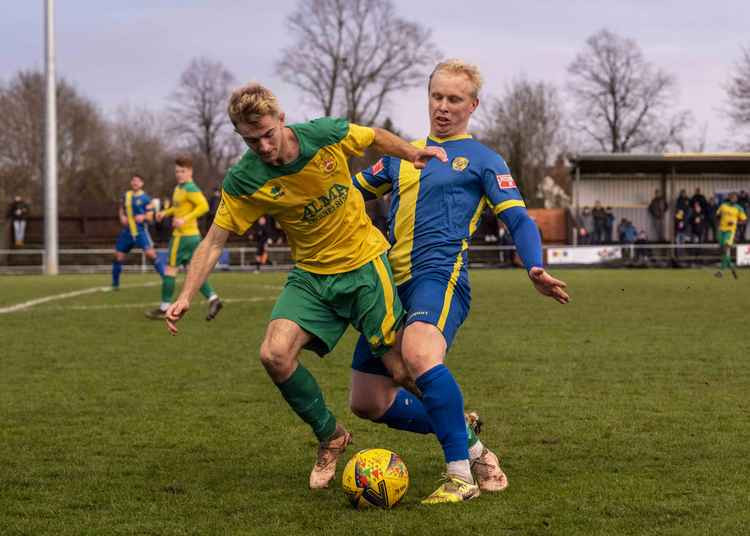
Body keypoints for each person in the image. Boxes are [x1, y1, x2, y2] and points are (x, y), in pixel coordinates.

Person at [162, 83, 448, 490]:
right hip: (312, 276)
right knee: (274, 354)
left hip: (364, 265)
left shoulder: (324, 134)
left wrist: (410, 152)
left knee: (401, 369)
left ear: (281, 120)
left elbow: (371, 137)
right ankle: (331, 436)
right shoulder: (245, 179)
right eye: (250, 139)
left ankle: (462, 436)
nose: (261, 145)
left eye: (266, 134)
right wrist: (187, 295)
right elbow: (213, 240)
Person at [349, 59, 569, 504]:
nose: (443, 107)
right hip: (391, 286)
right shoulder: (401, 157)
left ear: (472, 105)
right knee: (368, 400)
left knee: (418, 351)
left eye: (454, 99)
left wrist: (533, 266)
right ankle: (473, 445)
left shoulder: (485, 161)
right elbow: (347, 193)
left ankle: (460, 476)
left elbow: (520, 220)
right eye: (437, 97)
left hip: (441, 277)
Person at [145, 155, 223, 320]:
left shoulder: (190, 188)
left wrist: (184, 219)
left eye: (183, 171)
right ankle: (214, 299)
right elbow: (177, 207)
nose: (179, 174)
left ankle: (165, 307)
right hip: (192, 237)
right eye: (177, 171)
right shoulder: (179, 188)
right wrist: (164, 213)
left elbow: (203, 206)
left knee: (170, 270)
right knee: (194, 272)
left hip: (183, 237)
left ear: (190, 172)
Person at [111, 174, 165, 289]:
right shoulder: (126, 195)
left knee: (151, 254)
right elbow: (121, 208)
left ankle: (165, 278)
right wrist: (121, 217)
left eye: (138, 181)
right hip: (127, 232)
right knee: (118, 256)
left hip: (140, 231)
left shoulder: (146, 198)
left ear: (142, 184)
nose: (135, 183)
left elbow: (151, 217)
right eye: (133, 181)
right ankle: (115, 285)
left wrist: (144, 217)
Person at [714, 192, 747, 279]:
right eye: (732, 197)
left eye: (735, 198)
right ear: (729, 198)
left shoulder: (739, 208)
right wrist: (718, 225)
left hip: (730, 231)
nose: (734, 199)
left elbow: (744, 220)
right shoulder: (723, 206)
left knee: (726, 248)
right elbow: (717, 215)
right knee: (723, 252)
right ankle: (732, 268)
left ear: (737, 199)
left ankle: (721, 271)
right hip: (721, 231)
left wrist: (735, 222)